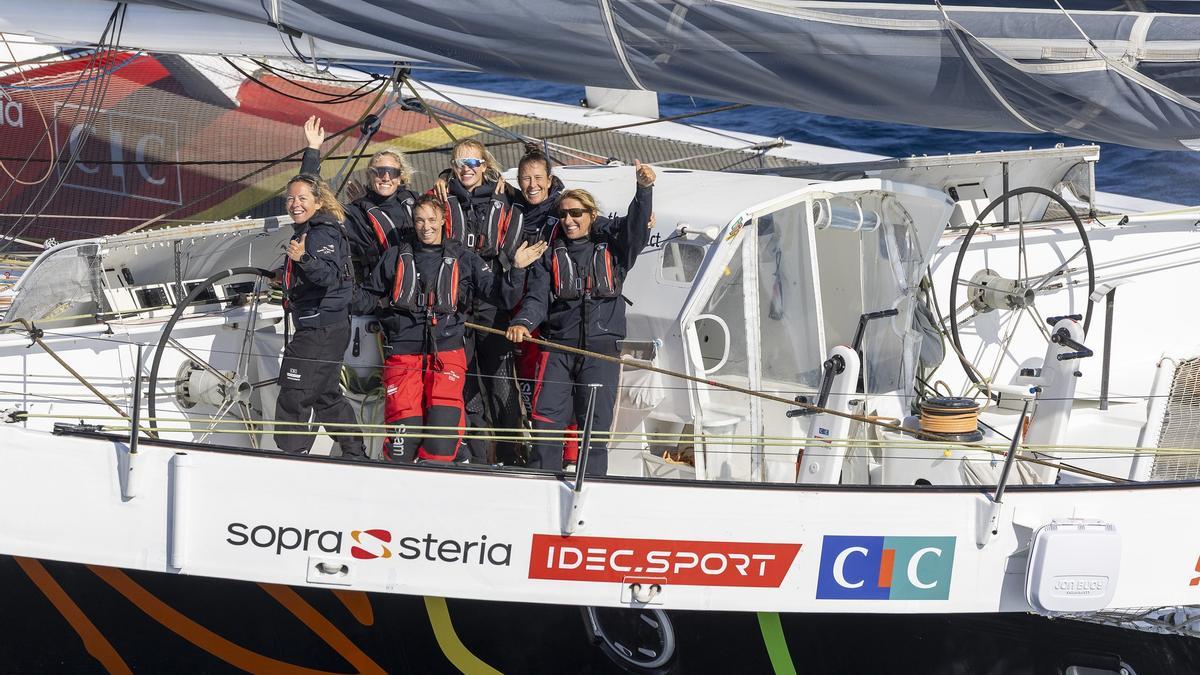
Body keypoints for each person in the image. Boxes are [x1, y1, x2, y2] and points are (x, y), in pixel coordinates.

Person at [357, 195, 547, 462]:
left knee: (441, 442)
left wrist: (516, 268)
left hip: (446, 353)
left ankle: (457, 457)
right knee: (403, 443)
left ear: (444, 221)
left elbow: (501, 295)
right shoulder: (395, 256)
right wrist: (335, 295)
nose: (426, 227)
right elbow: (365, 296)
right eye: (420, 220)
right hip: (404, 354)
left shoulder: (464, 258)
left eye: (432, 220)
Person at [507, 161, 656, 476]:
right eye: (563, 214)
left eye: (576, 213)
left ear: (591, 215)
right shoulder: (550, 252)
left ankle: (593, 486)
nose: (569, 220)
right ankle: (541, 479)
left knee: (594, 427)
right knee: (546, 420)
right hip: (558, 346)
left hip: (599, 350)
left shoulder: (616, 249)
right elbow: (536, 297)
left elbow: (637, 227)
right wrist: (522, 322)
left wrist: (644, 190)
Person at [438, 139, 525, 464]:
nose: (466, 169)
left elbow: (543, 195)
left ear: (484, 166)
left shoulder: (506, 198)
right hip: (457, 306)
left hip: (492, 307)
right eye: (460, 162)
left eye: (473, 163)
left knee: (501, 383)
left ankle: (510, 454)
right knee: (465, 384)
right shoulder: (441, 198)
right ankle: (474, 455)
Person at [273, 173, 367, 459]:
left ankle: (292, 456)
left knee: (294, 391)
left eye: (302, 198)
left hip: (320, 329)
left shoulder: (320, 232)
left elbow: (329, 275)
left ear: (318, 202)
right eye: (290, 198)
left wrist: (303, 260)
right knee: (326, 395)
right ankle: (355, 455)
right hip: (327, 326)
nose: (295, 204)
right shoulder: (313, 227)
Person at [300, 116, 419, 284]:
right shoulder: (357, 214)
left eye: (392, 172)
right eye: (379, 171)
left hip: (416, 287)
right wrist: (313, 148)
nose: (386, 177)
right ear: (370, 176)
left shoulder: (415, 203)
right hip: (380, 294)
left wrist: (444, 177)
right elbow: (315, 200)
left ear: (401, 178)